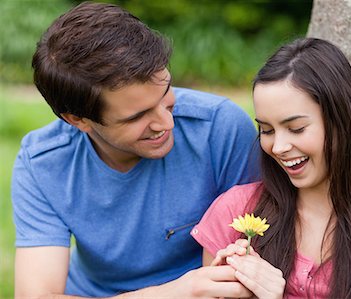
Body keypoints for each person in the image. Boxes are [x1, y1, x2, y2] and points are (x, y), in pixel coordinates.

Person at [11, 2, 259, 298]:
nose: (166, 123)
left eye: (166, 91)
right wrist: (176, 292)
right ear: (78, 120)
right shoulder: (42, 162)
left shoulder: (221, 128)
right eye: (136, 117)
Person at [191, 38, 351, 298]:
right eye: (266, 130)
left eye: (296, 129)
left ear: (342, 121)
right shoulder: (235, 214)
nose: (278, 146)